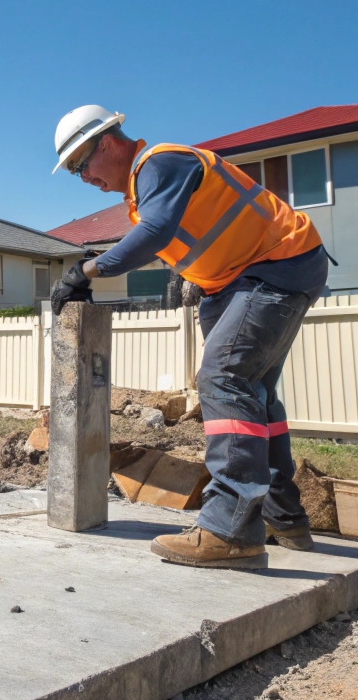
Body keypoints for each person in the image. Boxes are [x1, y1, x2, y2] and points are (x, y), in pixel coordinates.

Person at [50, 105, 330, 569]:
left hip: (274, 266)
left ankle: (230, 529)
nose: (83, 177)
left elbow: (155, 233)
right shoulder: (146, 187)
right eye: (75, 171)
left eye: (82, 163)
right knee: (255, 394)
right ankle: (284, 517)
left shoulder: (159, 163)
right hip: (250, 275)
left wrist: (88, 270)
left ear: (107, 142)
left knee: (222, 380)